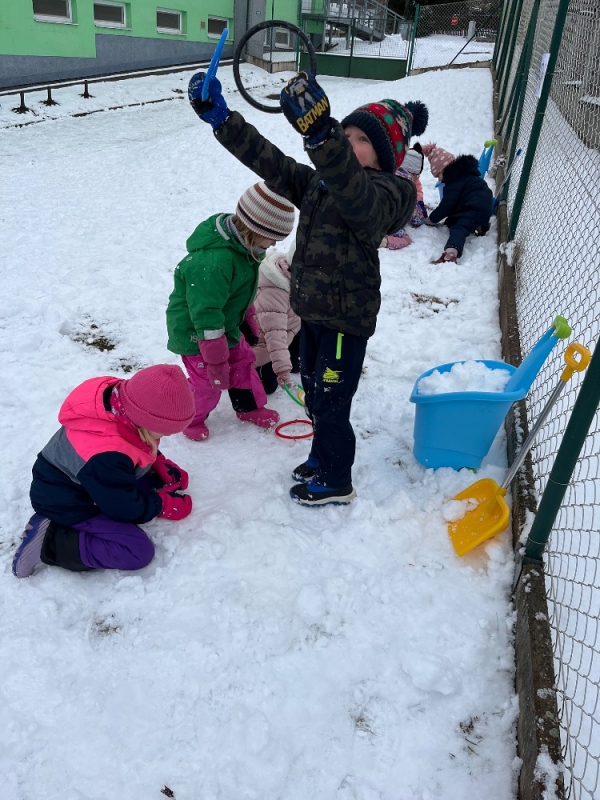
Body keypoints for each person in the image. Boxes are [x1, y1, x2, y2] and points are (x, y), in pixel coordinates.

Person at [186, 68, 428, 505]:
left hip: (344, 321)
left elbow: (360, 202)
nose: (347, 143)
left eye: (360, 140)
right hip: (312, 312)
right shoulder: (320, 181)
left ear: (386, 154)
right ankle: (321, 458)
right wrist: (223, 120)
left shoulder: (391, 192)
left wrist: (323, 134)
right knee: (315, 395)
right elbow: (272, 162)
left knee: (333, 401)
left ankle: (337, 480)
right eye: (345, 133)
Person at [12, 364, 196, 579]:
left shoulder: (120, 405)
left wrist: (157, 462)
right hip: (68, 501)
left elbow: (132, 443)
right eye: (163, 432)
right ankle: (50, 541)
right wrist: (160, 505)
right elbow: (123, 508)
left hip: (89, 480)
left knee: (149, 485)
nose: (165, 437)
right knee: (136, 552)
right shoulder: (107, 455)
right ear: (145, 420)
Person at [166, 182, 296, 441]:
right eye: (272, 238)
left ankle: (249, 408)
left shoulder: (245, 250)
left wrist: (247, 318)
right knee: (208, 382)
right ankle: (191, 419)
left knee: (244, 365)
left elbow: (240, 292)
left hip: (226, 326)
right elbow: (207, 316)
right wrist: (215, 361)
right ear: (256, 229)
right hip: (197, 335)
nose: (272, 246)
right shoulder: (212, 264)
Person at [421, 143, 494, 264]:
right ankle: (481, 225)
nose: (439, 180)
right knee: (453, 221)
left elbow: (447, 206)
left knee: (459, 228)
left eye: (438, 175)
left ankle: (450, 254)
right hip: (482, 206)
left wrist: (432, 219)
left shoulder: (454, 182)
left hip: (473, 208)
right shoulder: (465, 175)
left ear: (445, 169)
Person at [251, 245, 301, 395]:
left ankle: (293, 357)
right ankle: (248, 370)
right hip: (265, 337)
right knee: (268, 387)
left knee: (297, 362)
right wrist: (283, 370)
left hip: (291, 325)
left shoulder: (297, 277)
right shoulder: (274, 292)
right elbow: (275, 335)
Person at [380, 144, 429, 250]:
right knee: (406, 240)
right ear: (416, 174)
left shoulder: (387, 174)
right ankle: (384, 241)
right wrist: (421, 215)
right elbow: (415, 219)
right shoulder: (409, 189)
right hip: (388, 222)